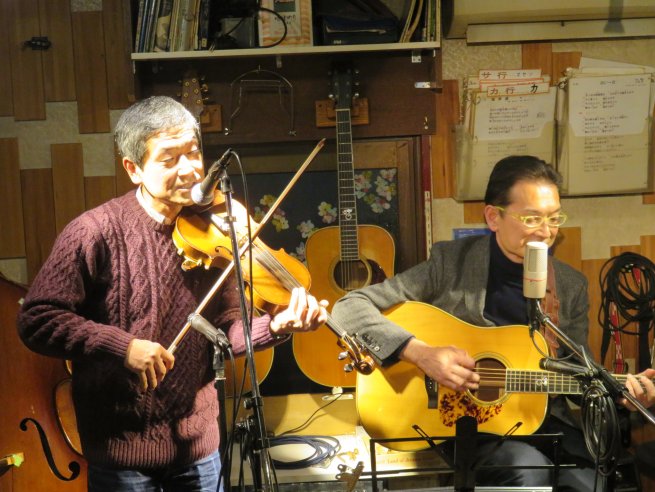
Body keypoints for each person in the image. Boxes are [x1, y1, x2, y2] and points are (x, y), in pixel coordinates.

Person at [16, 95, 328, 492]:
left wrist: (277, 326)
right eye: (169, 159)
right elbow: (37, 319)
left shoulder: (220, 231)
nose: (190, 170)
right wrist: (123, 347)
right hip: (121, 456)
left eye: (193, 153)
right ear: (134, 169)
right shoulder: (93, 232)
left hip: (199, 454)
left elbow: (227, 334)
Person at [332, 155, 655, 491]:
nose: (546, 232)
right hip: (466, 423)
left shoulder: (569, 285)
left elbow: (578, 372)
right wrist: (419, 353)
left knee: (599, 483)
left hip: (545, 423)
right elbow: (348, 307)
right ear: (493, 217)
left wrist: (620, 395)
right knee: (529, 473)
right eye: (532, 218)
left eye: (554, 218)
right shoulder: (451, 263)